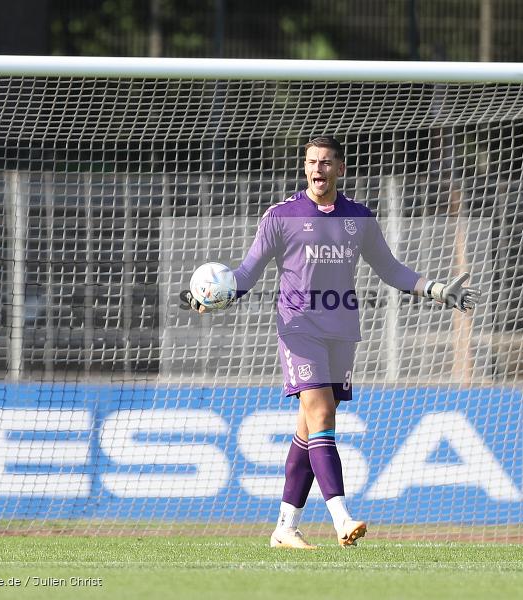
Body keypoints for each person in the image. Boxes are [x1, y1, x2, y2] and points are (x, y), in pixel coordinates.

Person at [191, 136, 477, 549]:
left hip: (342, 329)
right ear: (304, 168)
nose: (317, 169)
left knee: (309, 429)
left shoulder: (358, 218)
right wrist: (210, 297)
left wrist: (433, 289)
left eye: (325, 163)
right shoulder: (281, 215)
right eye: (311, 162)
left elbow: (390, 269)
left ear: (340, 169)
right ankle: (342, 519)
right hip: (298, 326)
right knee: (322, 413)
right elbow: (247, 273)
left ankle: (285, 527)